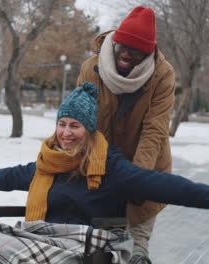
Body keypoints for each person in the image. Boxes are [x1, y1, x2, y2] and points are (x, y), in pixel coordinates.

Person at [0, 82, 209, 264]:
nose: (66, 133)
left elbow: (163, 185)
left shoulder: (111, 167)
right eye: (62, 124)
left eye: (74, 126)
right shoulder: (49, 163)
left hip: (89, 247)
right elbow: (12, 176)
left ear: (89, 131)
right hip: (43, 240)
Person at [76, 6, 176, 261]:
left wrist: (136, 180)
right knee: (99, 251)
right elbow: (81, 124)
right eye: (123, 45)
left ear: (148, 52)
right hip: (101, 173)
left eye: (136, 50)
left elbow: (155, 131)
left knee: (134, 252)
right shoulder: (92, 70)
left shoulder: (162, 76)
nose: (126, 54)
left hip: (146, 172)